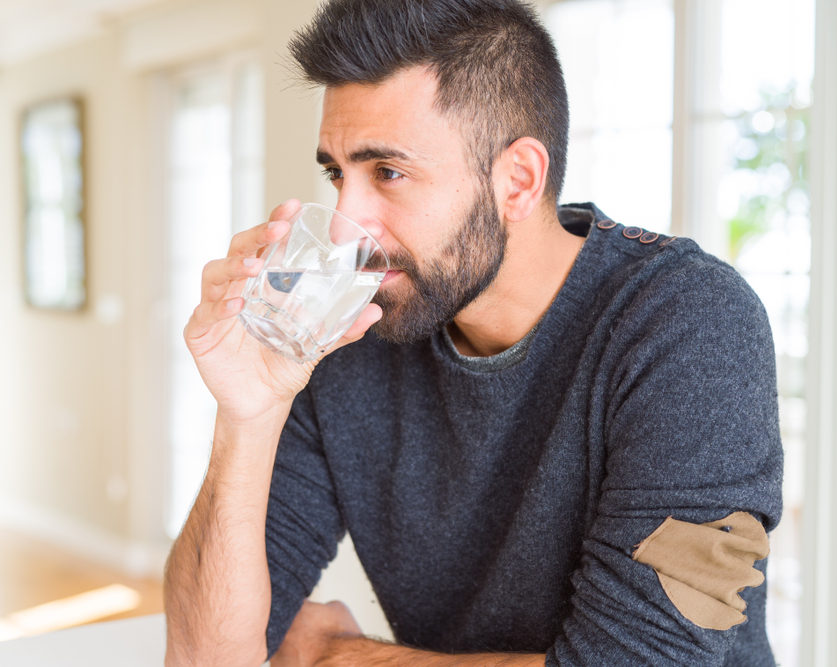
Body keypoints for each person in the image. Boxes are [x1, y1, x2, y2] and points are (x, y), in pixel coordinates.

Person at [163, 0, 784, 665]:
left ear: (517, 180)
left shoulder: (685, 322)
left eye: (389, 173)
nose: (346, 225)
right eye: (337, 174)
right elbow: (204, 655)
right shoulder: (349, 335)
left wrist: (332, 657)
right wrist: (247, 414)